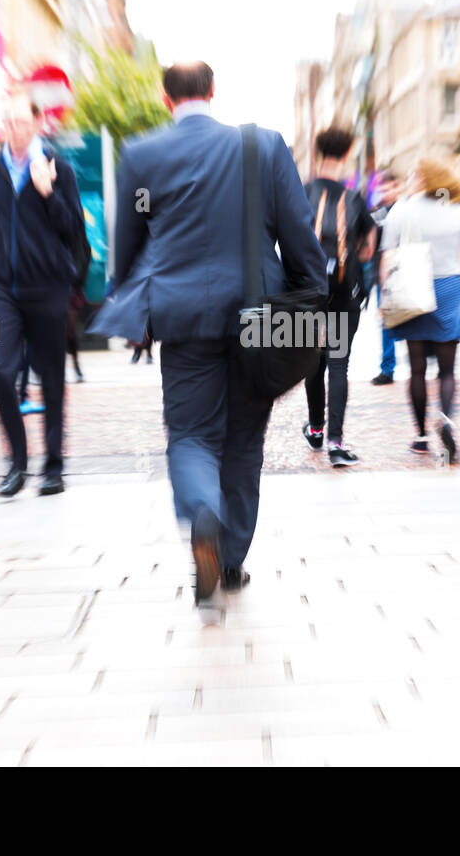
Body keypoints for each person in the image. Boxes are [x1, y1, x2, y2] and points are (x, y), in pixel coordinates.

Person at [108, 61, 325, 606]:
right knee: (245, 440)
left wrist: (133, 313)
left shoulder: (142, 155)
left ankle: (202, 513)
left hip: (182, 321)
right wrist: (309, 301)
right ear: (212, 92)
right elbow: (300, 237)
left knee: (189, 436)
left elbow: (129, 246)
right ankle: (229, 561)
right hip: (257, 316)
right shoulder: (265, 148)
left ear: (165, 99)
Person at [0, 96, 86, 498]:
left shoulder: (60, 169)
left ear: (38, 124)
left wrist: (47, 192)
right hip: (4, 290)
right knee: (2, 371)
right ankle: (16, 464)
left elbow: (74, 228)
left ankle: (52, 468)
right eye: (8, 121)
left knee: (51, 379)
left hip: (48, 288)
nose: (14, 128)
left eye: (21, 121)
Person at [379, 158, 460, 463]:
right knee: (447, 369)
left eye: (411, 175)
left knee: (416, 367)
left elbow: (388, 257)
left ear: (421, 178)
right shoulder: (453, 210)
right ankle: (446, 419)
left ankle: (420, 435)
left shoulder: (400, 211)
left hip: (413, 286)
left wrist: (385, 296)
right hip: (448, 288)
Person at [300, 127, 377, 467]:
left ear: (317, 154)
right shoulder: (356, 199)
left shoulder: (301, 193)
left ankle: (315, 428)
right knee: (338, 364)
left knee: (312, 364)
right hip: (345, 293)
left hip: (308, 292)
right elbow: (367, 249)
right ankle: (335, 442)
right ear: (347, 156)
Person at [369, 171, 401, 385]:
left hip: (407, 271)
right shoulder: (377, 215)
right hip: (385, 274)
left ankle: (424, 359)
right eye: (382, 189)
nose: (385, 193)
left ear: (398, 187)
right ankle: (387, 368)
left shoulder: (407, 209)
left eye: (390, 188)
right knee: (387, 322)